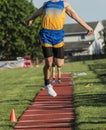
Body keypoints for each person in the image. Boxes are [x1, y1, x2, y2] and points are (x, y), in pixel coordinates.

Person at [26, 0, 93, 97]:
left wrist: (88, 27)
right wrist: (30, 19)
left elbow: (76, 17)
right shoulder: (46, 4)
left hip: (58, 35)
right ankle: (47, 84)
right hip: (46, 34)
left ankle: (53, 64)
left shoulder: (65, 5)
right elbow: (36, 13)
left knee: (59, 64)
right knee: (48, 63)